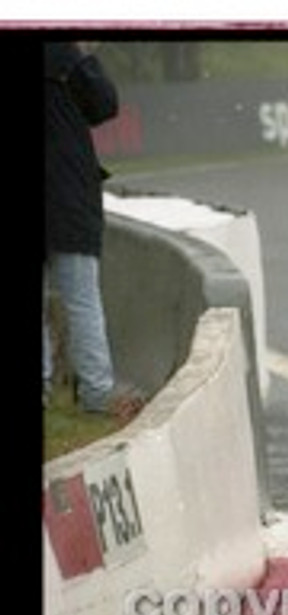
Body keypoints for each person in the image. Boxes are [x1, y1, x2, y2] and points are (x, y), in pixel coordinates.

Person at [44, 41, 143, 418]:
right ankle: (97, 392)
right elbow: (104, 105)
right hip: (67, 194)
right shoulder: (66, 55)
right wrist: (83, 53)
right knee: (82, 297)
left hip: (64, 191)